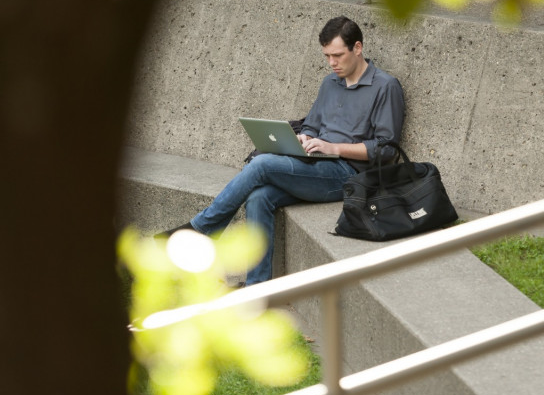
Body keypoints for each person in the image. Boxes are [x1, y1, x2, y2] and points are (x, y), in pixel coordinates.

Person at [159, 16, 405, 285]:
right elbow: (312, 124)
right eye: (327, 56)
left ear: (357, 48)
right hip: (315, 163)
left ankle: (202, 229)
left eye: (337, 55)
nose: (332, 63)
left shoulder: (385, 86)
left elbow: (385, 150)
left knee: (262, 164)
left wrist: (332, 147)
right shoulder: (329, 84)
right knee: (259, 197)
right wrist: (303, 138)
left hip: (348, 175)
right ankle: (258, 289)